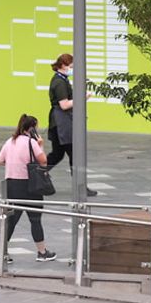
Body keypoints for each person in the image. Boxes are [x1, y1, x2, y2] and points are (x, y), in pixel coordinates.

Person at [0, 114, 56, 263]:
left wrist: (14, 164)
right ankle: (42, 252)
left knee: (11, 220)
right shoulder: (32, 142)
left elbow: (0, 161)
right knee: (35, 218)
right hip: (30, 186)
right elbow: (43, 161)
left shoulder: (10, 141)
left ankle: (1, 253)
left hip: (12, 185)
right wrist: (40, 145)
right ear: (31, 128)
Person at [45, 53, 97, 197]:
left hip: (59, 122)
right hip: (62, 123)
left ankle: (37, 173)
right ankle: (80, 187)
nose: (72, 69)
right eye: (71, 66)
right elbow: (64, 104)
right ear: (63, 65)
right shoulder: (60, 82)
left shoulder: (61, 79)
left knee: (58, 154)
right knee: (74, 154)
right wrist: (81, 97)